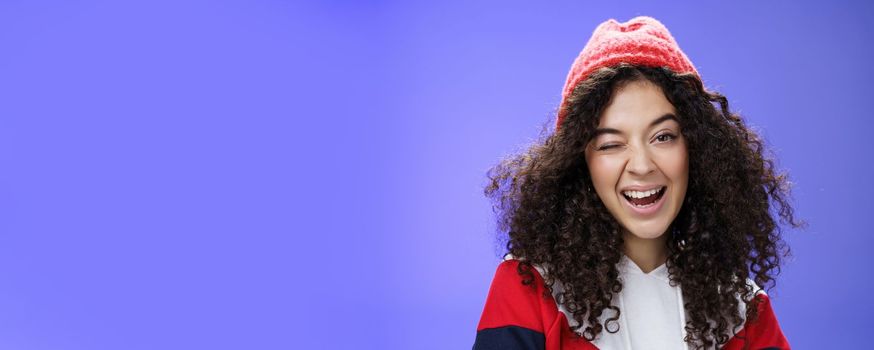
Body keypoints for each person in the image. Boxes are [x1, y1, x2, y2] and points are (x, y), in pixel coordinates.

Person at [473, 16, 802, 350]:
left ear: (697, 148)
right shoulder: (530, 288)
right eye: (611, 144)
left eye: (663, 137)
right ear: (579, 162)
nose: (642, 166)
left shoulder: (742, 310)